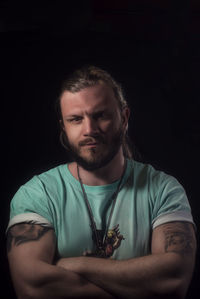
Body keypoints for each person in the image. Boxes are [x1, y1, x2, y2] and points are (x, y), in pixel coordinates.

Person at [7, 66, 196, 299]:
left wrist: (74, 265)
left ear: (124, 118)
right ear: (64, 128)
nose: (89, 130)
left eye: (100, 116)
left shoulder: (164, 190)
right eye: (75, 119)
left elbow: (173, 281)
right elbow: (33, 288)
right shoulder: (37, 194)